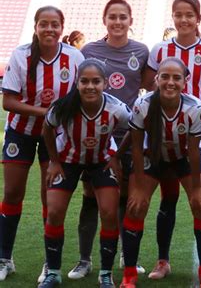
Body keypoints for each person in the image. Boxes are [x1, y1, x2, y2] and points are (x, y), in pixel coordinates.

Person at [142, 0, 201, 280]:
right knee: (168, 198)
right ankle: (162, 260)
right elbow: (146, 84)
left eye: (189, 15)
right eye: (178, 14)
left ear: (198, 18)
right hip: (165, 131)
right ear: (173, 17)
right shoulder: (159, 50)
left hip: (200, 131)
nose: (183, 19)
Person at [66, 0, 149, 281]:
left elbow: (148, 87)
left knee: (126, 195)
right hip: (94, 136)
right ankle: (84, 259)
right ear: (105, 20)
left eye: (122, 17)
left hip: (127, 135)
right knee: (90, 196)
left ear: (130, 21)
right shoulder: (89, 50)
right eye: (112, 16)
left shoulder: (141, 50)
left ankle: (128, 256)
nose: (117, 22)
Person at [0, 5, 84, 282]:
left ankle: (50, 264)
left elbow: (81, 96)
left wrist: (56, 119)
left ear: (62, 27)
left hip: (55, 137)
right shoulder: (22, 55)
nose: (49, 29)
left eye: (54, 24)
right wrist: (46, 113)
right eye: (43, 24)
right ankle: (4, 259)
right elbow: (8, 101)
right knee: (12, 193)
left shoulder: (73, 57)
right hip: (21, 132)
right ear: (35, 27)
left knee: (51, 198)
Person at [120, 57, 201, 288]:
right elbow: (135, 145)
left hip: (184, 158)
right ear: (156, 79)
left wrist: (198, 189)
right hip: (153, 158)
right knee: (137, 205)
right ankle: (129, 275)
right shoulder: (143, 104)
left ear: (185, 81)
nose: (170, 82)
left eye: (176, 77)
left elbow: (194, 152)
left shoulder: (194, 107)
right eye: (165, 76)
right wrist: (137, 187)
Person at [38, 58, 130, 288]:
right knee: (55, 212)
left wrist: (117, 157)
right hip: (68, 160)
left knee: (109, 213)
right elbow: (47, 129)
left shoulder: (116, 107)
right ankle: (53, 272)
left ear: (105, 83)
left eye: (96, 81)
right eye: (85, 81)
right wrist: (54, 162)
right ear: (77, 83)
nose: (90, 86)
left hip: (101, 161)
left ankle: (105, 274)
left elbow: (136, 129)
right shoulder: (63, 106)